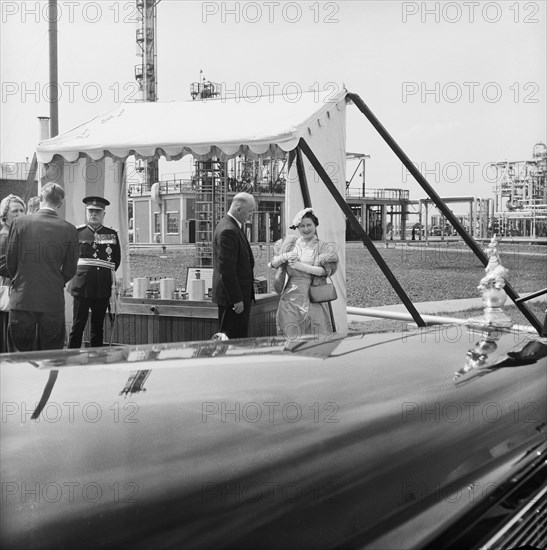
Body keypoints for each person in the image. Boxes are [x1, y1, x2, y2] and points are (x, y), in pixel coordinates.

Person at [6, 183, 79, 351]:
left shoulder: (19, 223)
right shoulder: (69, 229)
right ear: (60, 204)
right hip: (52, 300)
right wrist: (55, 281)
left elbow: (10, 262)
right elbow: (70, 269)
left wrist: (20, 279)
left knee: (21, 356)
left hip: (22, 298)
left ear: (40, 199)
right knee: (50, 354)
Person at [269, 208, 339, 339]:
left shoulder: (323, 246)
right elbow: (272, 264)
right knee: (290, 335)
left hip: (314, 295)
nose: (306, 229)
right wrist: (284, 256)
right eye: (302, 226)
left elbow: (325, 272)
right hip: (291, 296)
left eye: (309, 225)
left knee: (315, 336)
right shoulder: (291, 244)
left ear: (315, 225)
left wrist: (299, 266)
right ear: (297, 227)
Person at [68, 196, 121, 348]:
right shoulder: (77, 232)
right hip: (81, 287)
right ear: (86, 212)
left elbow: (115, 261)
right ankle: (72, 360)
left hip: (102, 288)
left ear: (103, 214)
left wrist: (104, 278)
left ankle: (96, 362)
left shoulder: (111, 234)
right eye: (91, 211)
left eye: (98, 211)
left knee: (98, 328)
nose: (94, 214)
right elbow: (70, 259)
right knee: (77, 327)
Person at [212, 192, 255, 339]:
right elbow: (227, 270)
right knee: (232, 341)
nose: (251, 215)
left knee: (237, 340)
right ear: (238, 208)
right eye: (250, 211)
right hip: (233, 301)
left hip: (237, 299)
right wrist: (237, 299)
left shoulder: (232, 226)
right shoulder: (228, 231)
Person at [0, 195, 26, 352]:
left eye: (22, 210)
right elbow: (2, 266)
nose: (19, 214)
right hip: (8, 291)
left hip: (16, 291)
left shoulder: (17, 233)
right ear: (4, 215)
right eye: (15, 211)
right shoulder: (5, 236)